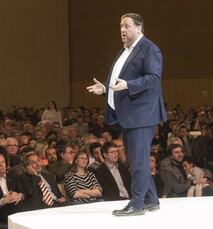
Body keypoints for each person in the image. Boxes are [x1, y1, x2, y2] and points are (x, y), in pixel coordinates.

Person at [86, 13, 167, 216]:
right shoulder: (126, 50)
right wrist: (105, 89)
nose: (122, 29)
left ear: (139, 28)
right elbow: (118, 81)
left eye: (126, 26)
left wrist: (129, 85)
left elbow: (153, 77)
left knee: (138, 160)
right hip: (131, 114)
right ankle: (151, 199)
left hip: (142, 114)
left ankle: (137, 203)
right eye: (121, 26)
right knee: (135, 159)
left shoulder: (149, 48)